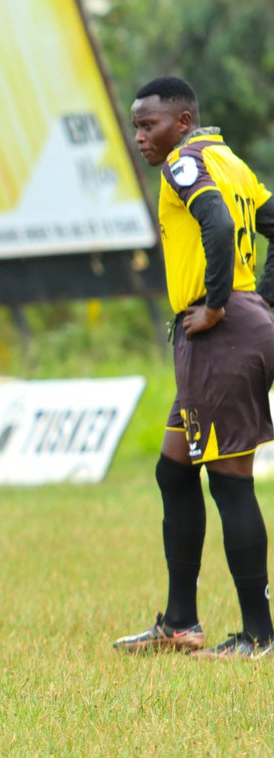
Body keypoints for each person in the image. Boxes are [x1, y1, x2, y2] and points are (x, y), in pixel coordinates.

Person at [113, 76, 274, 658]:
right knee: (174, 469)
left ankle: (259, 634)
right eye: (135, 125)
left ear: (182, 122)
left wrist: (218, 301)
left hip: (222, 334)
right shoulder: (231, 161)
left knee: (230, 484)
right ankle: (180, 623)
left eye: (148, 124)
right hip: (239, 327)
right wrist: (262, 302)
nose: (140, 137)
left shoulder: (183, 164)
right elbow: (270, 225)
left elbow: (218, 224)